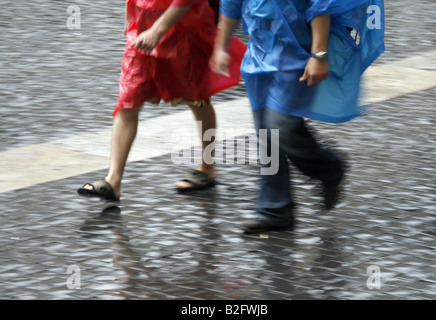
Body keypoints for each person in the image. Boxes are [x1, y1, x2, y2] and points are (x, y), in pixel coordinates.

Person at [210, 0, 385, 233]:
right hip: (259, 54)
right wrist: (221, 48)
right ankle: (275, 209)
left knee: (280, 124)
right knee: (266, 134)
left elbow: (319, 6)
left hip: (298, 54)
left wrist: (319, 55)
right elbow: (231, 6)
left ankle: (329, 168)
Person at [78, 0, 246, 201]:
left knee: (197, 101)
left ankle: (207, 167)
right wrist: (129, 17)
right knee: (128, 100)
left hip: (184, 32)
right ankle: (113, 180)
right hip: (142, 29)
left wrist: (156, 31)